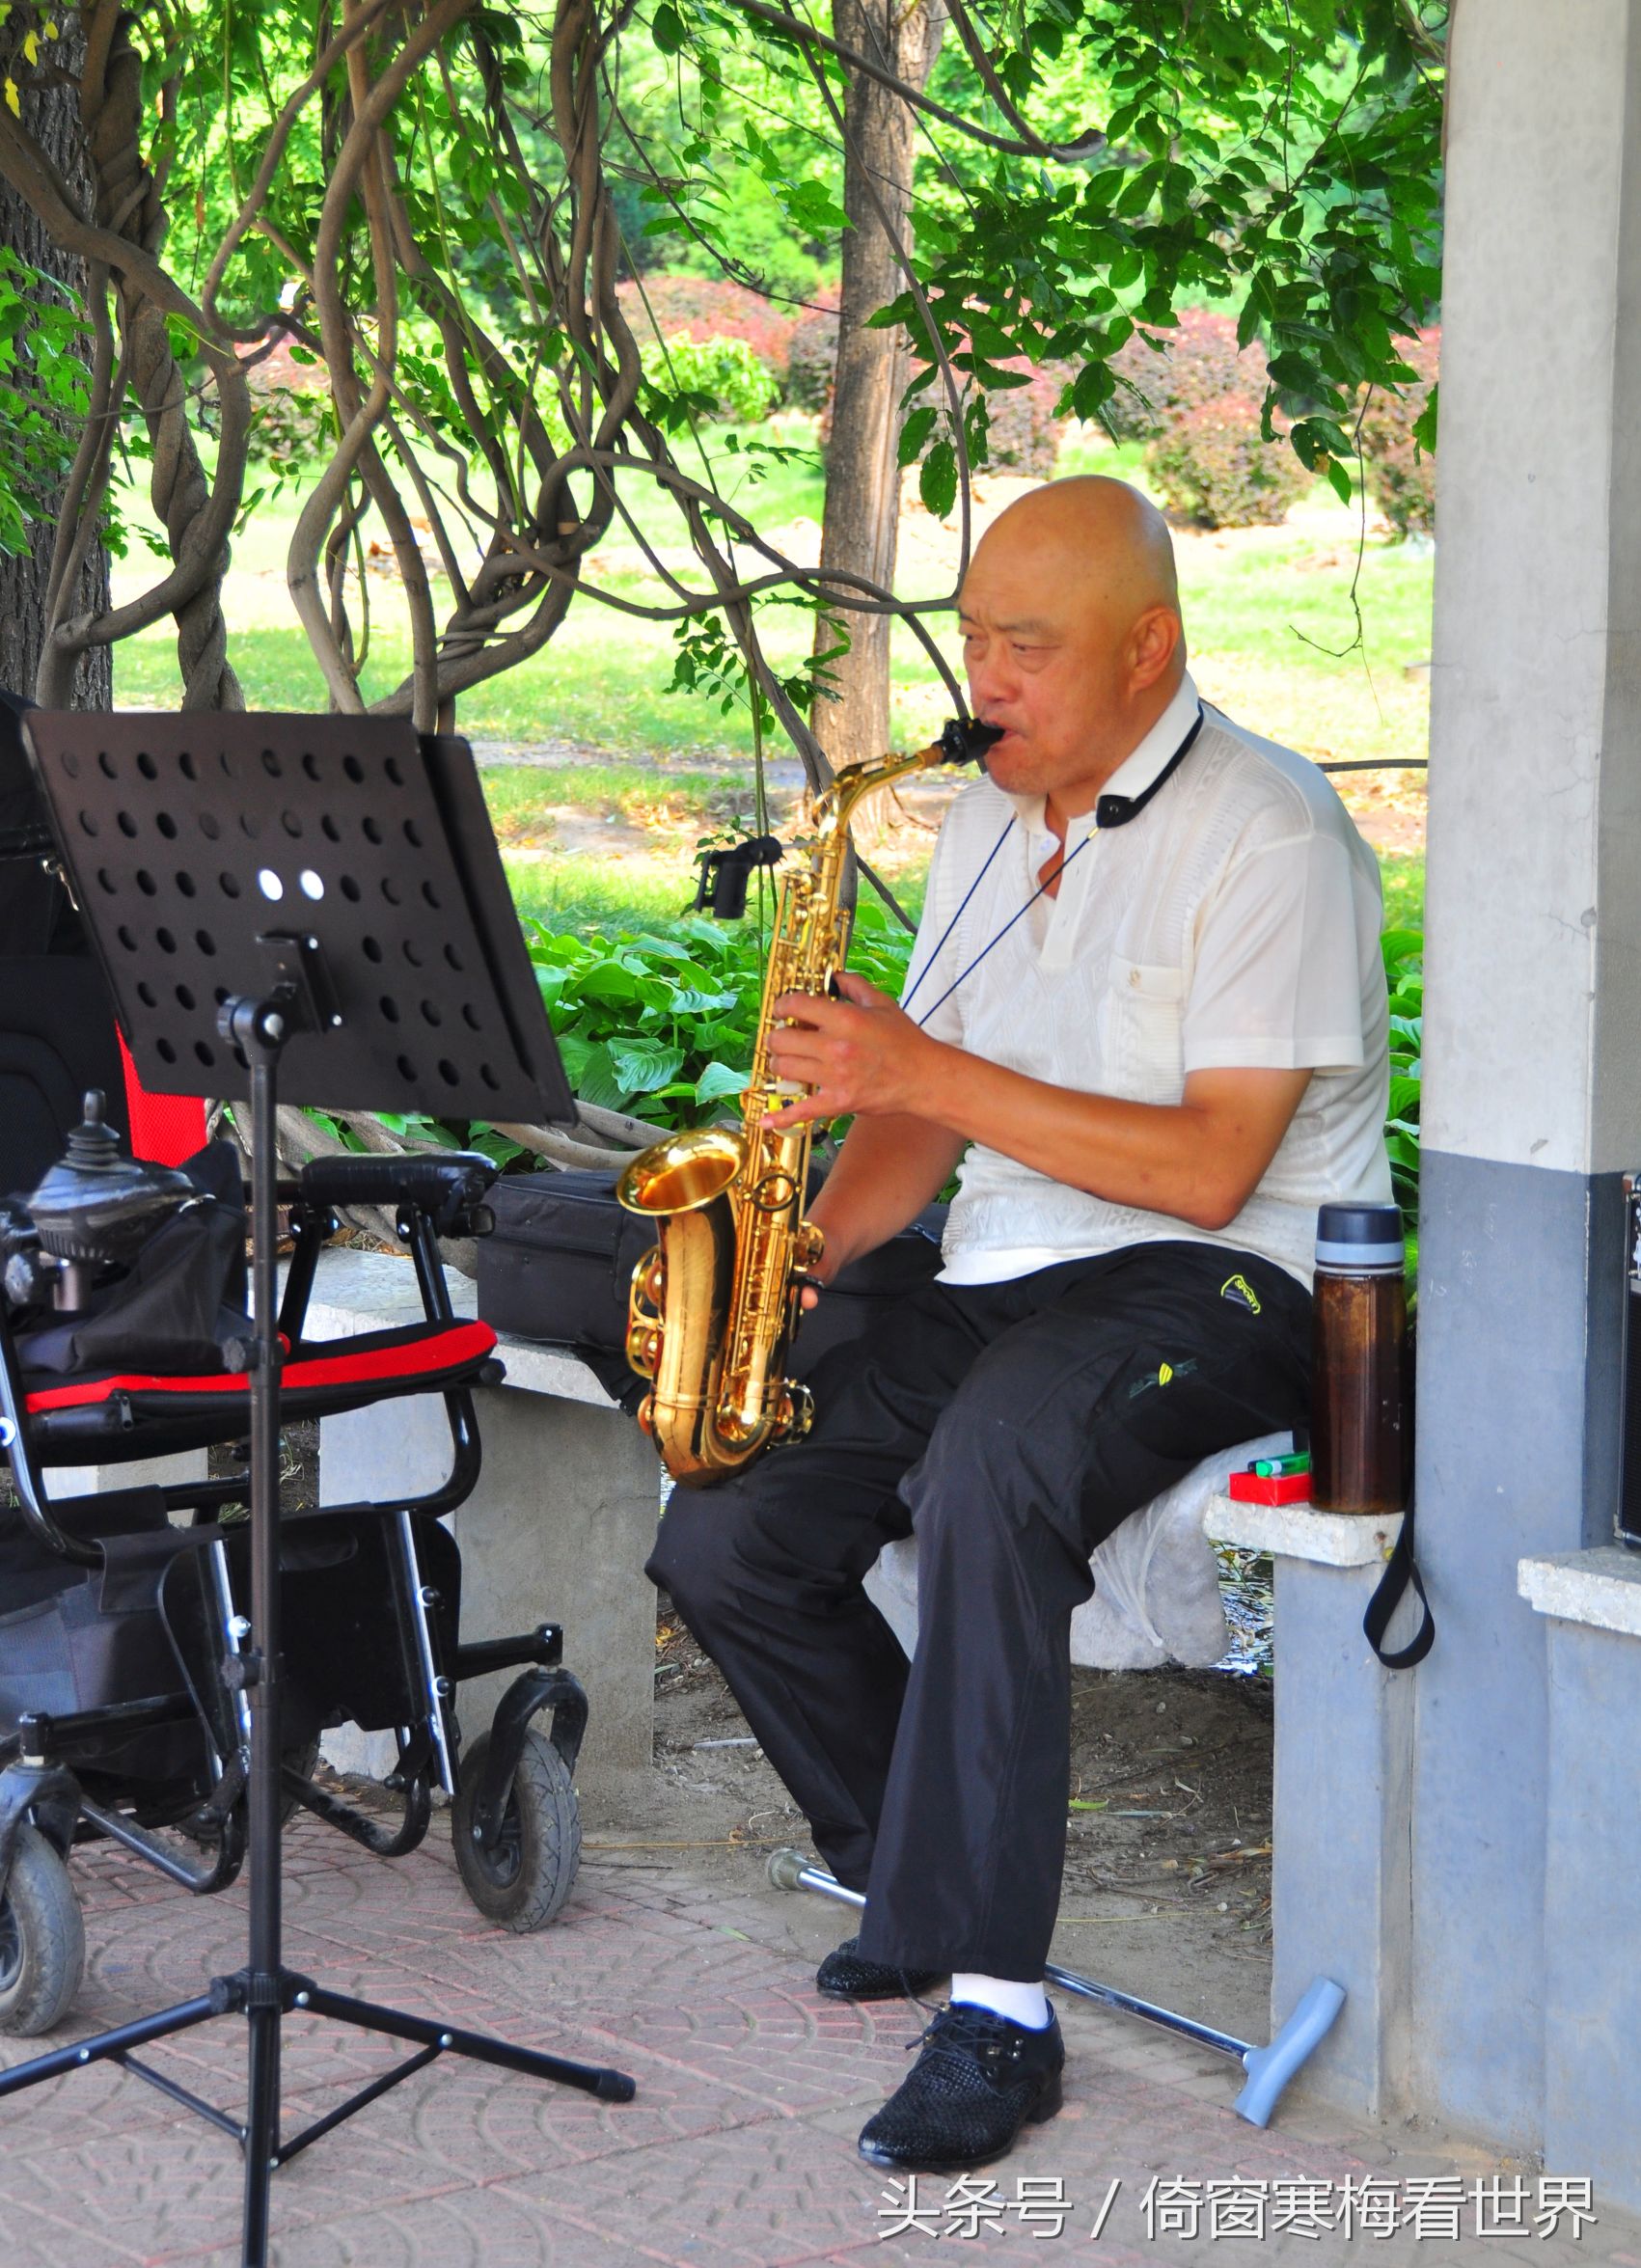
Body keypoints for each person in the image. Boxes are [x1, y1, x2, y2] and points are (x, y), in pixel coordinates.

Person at [645, 475, 1392, 2174]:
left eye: (1025, 647)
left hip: (1232, 1274)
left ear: (1149, 647)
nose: (983, 678)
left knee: (992, 1471)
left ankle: (998, 2009)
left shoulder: (1272, 835)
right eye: (972, 637)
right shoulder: (988, 805)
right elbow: (920, 1112)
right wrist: (817, 1246)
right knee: (735, 1526)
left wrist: (918, 1067)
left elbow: (1212, 1170)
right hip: (1005, 1258)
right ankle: (910, 1873)